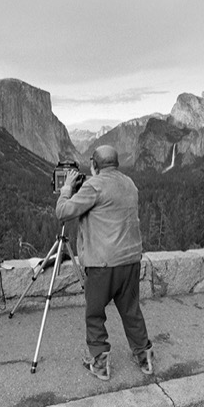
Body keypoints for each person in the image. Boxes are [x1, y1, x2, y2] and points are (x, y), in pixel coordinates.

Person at [55, 145, 153, 381]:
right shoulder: (129, 183)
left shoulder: (94, 186)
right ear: (116, 163)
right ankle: (145, 357)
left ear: (95, 164)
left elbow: (63, 211)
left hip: (103, 265)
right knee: (131, 311)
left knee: (95, 314)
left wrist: (67, 189)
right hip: (130, 261)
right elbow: (108, 194)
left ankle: (99, 364)